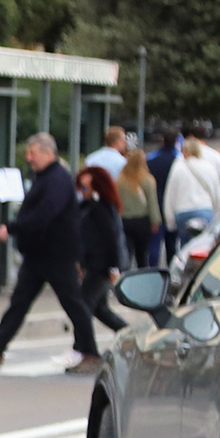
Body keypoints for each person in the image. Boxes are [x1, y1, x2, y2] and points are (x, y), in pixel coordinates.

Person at [0, 133, 99, 375]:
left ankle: (90, 353)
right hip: (40, 253)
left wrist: (14, 227)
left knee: (73, 304)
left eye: (33, 153)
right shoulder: (46, 178)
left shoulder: (57, 180)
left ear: (49, 153)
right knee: (20, 302)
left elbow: (46, 213)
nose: (29, 158)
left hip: (56, 253)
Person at [74, 165, 127, 350]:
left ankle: (84, 349)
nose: (82, 192)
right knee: (99, 309)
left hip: (101, 265)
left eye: (85, 188)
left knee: (82, 306)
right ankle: (129, 336)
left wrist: (113, 267)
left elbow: (111, 238)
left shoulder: (102, 208)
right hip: (94, 263)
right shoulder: (87, 207)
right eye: (80, 188)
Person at [163, 135, 220, 255]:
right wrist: (217, 213)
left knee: (185, 248)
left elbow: (170, 195)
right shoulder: (208, 167)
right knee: (203, 247)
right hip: (204, 210)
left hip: (183, 212)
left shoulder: (178, 167)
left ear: (185, 151)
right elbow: (217, 194)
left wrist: (170, 222)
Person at [116, 146, 158, 280]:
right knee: (142, 254)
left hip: (125, 220)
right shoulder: (147, 180)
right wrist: (155, 220)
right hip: (142, 221)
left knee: (127, 252)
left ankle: (125, 277)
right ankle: (142, 278)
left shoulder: (120, 180)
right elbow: (152, 202)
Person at [144, 129, 179, 263]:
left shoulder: (151, 160)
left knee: (154, 243)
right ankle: (171, 270)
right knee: (172, 243)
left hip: (156, 205)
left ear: (162, 141)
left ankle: (152, 270)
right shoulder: (177, 161)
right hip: (172, 205)